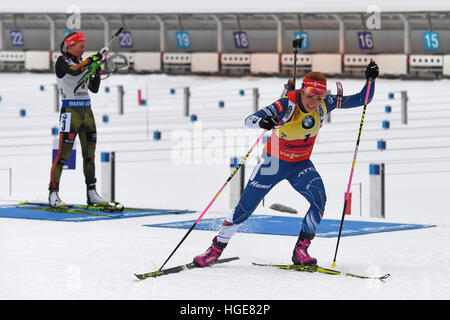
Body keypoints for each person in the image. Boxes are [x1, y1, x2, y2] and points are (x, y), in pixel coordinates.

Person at [193, 61, 379, 267]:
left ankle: (301, 250)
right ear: (301, 91)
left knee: (319, 199)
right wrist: (263, 122)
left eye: (320, 96)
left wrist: (370, 79)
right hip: (272, 164)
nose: (314, 101)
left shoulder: (326, 103)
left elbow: (363, 99)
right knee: (244, 210)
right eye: (310, 95)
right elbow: (249, 120)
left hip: (300, 165)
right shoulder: (286, 105)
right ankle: (215, 250)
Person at [48, 31, 108, 208]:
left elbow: (94, 88)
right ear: (70, 46)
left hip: (86, 112)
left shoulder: (81, 63)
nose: (84, 47)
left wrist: (97, 70)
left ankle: (91, 193)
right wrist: (92, 59)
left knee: (90, 156)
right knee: (63, 155)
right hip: (70, 111)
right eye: (80, 45)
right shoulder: (62, 61)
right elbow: (74, 72)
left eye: (84, 45)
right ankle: (53, 193)